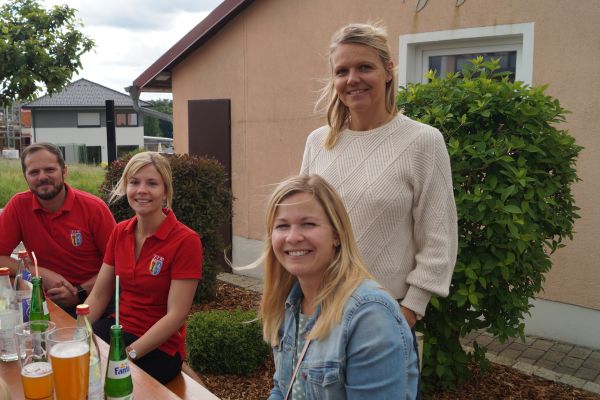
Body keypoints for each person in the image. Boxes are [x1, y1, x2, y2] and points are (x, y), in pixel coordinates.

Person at [301, 22, 457, 330]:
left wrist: (409, 311)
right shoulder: (318, 142)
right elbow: (301, 224)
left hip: (385, 313)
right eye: (342, 71)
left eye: (364, 67)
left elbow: (439, 237)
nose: (352, 79)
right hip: (318, 306)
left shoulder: (423, 141)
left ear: (388, 70)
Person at [261, 175, 418, 400]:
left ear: (336, 235)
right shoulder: (289, 303)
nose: (293, 237)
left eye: (308, 224)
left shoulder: (369, 315)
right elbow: (283, 389)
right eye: (282, 226)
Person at [85, 151, 203, 384]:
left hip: (160, 347)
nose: (141, 190)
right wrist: (78, 332)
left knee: (109, 383)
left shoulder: (186, 241)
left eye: (152, 183)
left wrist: (128, 354)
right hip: (117, 328)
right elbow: (98, 295)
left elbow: (176, 315)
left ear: (165, 191)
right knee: (77, 367)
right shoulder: (120, 231)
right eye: (134, 182)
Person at [0, 142, 116, 316]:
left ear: (64, 171)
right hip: (46, 303)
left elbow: (119, 265)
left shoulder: (94, 208)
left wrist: (79, 291)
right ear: (25, 177)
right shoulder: (19, 206)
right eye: (34, 172)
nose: (42, 177)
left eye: (49, 170)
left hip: (97, 300)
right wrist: (40, 273)